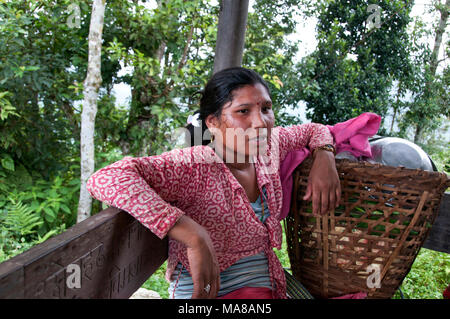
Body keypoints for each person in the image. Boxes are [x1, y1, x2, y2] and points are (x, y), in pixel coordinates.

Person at [87, 67, 341, 299]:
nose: (261, 122)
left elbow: (314, 129)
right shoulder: (195, 166)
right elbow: (105, 178)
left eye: (265, 108)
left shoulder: (269, 149)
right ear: (213, 123)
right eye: (243, 111)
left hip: (269, 284)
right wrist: (192, 233)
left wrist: (325, 155)